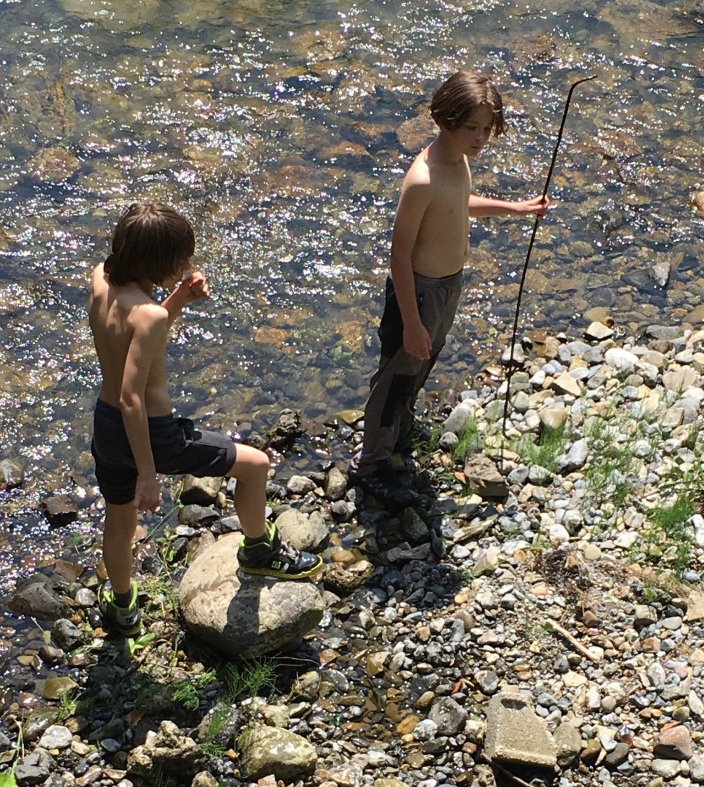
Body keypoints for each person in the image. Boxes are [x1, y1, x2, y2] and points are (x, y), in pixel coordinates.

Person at [88, 202, 320, 636]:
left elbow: (132, 343)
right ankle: (259, 551)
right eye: (180, 261)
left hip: (106, 428)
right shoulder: (150, 314)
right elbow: (131, 398)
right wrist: (148, 475)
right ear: (157, 262)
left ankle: (122, 608)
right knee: (255, 465)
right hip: (153, 435)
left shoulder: (100, 277)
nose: (186, 265)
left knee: (119, 520)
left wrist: (178, 298)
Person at [348, 69, 550, 512]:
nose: (480, 138)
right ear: (444, 120)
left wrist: (515, 208)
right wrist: (411, 322)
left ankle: (399, 429)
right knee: (398, 373)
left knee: (424, 359)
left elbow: (460, 206)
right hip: (417, 292)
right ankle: (371, 464)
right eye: (471, 128)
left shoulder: (459, 161)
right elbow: (399, 256)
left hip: (447, 285)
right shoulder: (423, 178)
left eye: (486, 129)